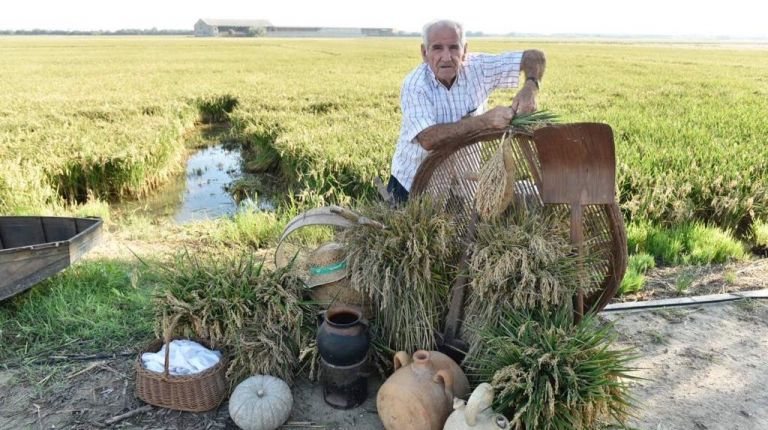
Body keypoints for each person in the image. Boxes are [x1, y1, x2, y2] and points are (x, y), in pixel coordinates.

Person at [387, 19, 546, 203]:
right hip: (416, 183)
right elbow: (428, 138)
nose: (446, 57)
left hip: (464, 182)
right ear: (424, 52)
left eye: (454, 47)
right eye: (437, 48)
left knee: (464, 227)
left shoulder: (479, 69)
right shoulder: (416, 85)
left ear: (465, 51)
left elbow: (535, 57)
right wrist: (483, 121)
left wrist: (530, 87)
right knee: (419, 228)